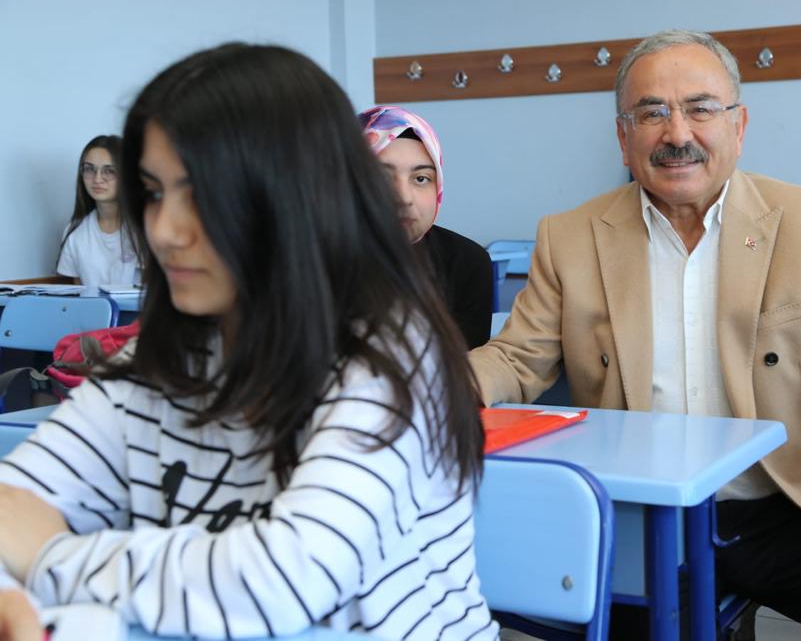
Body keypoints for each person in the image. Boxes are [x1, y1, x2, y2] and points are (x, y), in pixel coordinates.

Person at [469, 29, 801, 640]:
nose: (677, 134)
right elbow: (517, 356)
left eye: (700, 109)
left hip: (784, 504)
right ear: (623, 136)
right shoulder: (569, 236)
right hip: (645, 516)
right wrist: (423, 389)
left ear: (738, 126)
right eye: (651, 113)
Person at [0, 43, 497, 641]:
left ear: (303, 198)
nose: (165, 231)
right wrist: (18, 602)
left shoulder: (391, 358)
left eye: (203, 196)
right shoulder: (154, 363)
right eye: (154, 193)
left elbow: (285, 580)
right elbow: (10, 505)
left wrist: (50, 559)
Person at [359, 106, 492, 349]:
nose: (404, 198)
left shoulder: (467, 262)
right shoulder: (315, 262)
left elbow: (468, 364)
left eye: (421, 179)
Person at [56, 135, 141, 286]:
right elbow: (79, 293)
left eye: (109, 171)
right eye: (89, 169)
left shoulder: (143, 229)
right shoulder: (74, 231)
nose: (97, 179)